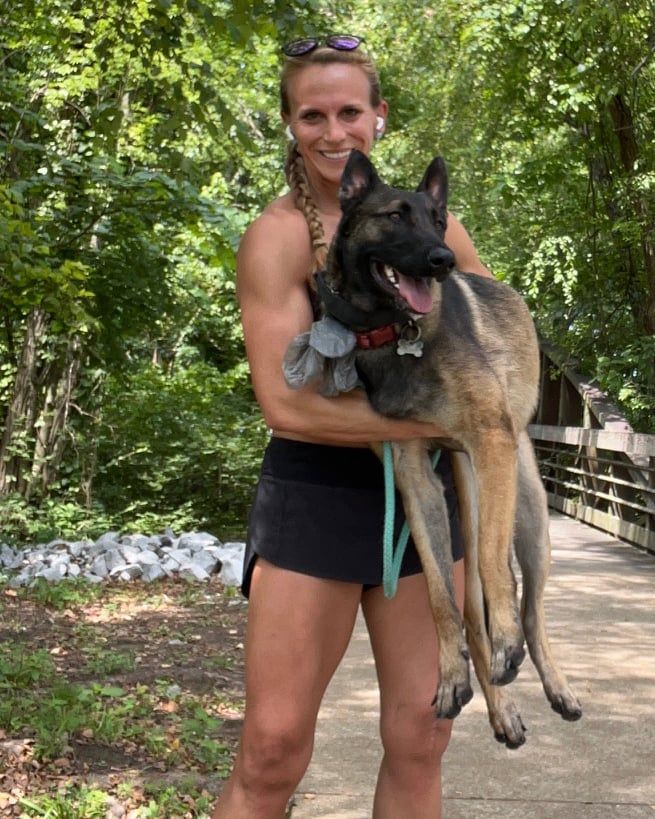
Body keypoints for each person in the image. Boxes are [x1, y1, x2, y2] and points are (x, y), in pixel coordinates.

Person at [213, 35, 492, 819]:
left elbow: (495, 332)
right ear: (289, 125)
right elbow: (288, 404)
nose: (332, 132)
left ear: (378, 117)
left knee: (422, 731)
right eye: (312, 115)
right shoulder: (277, 237)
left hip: (426, 505)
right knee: (272, 747)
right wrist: (437, 421)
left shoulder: (432, 227)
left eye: (348, 111)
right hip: (318, 497)